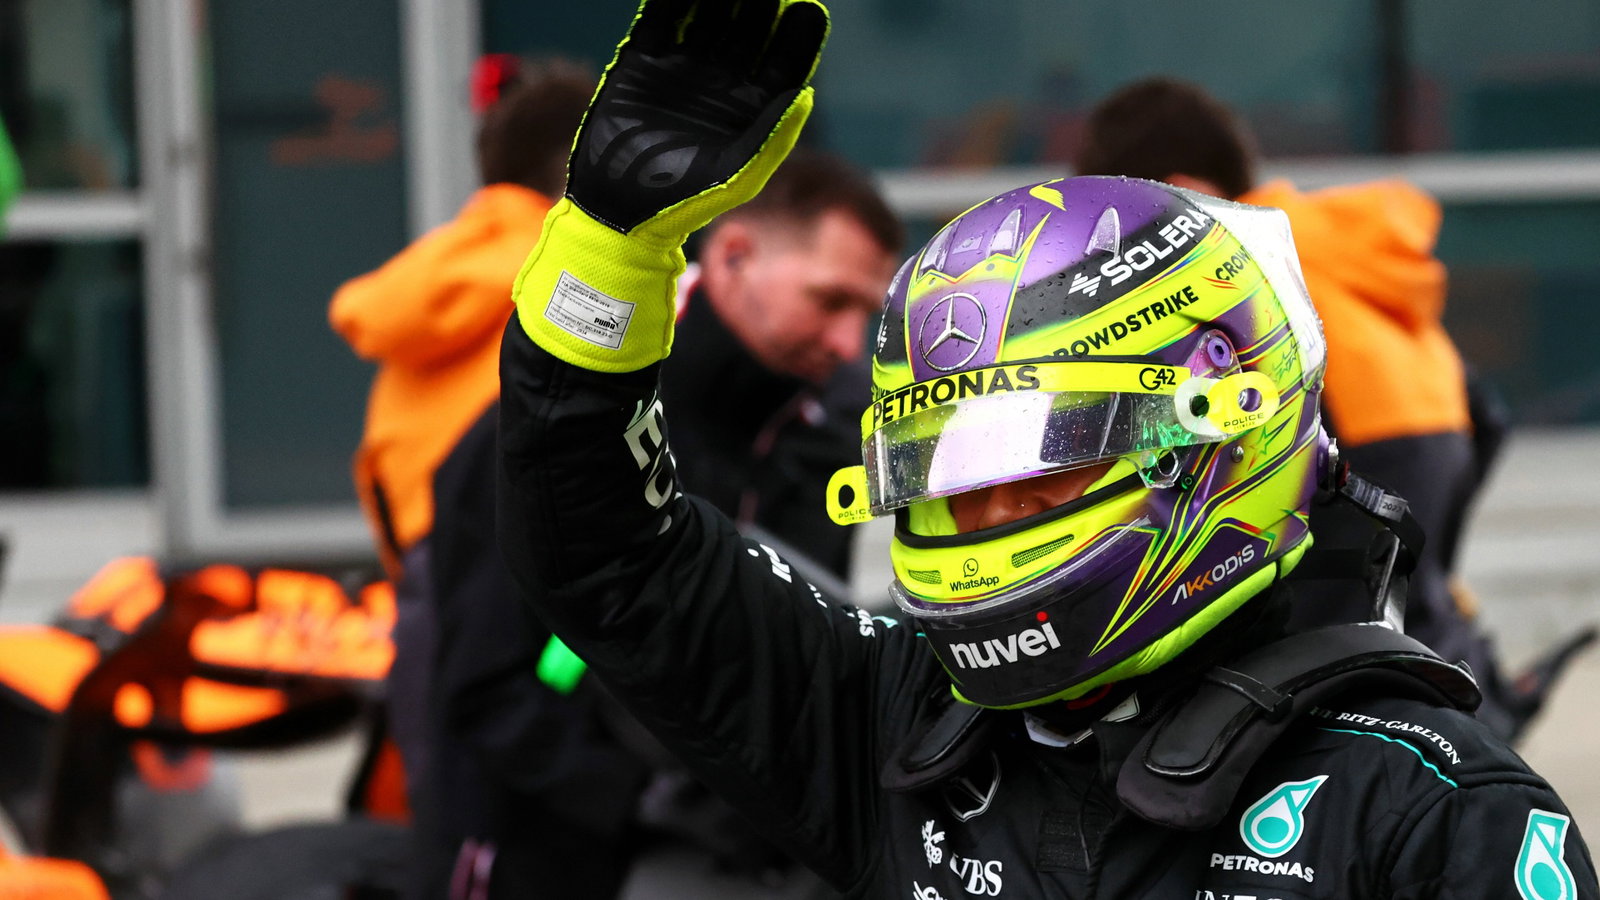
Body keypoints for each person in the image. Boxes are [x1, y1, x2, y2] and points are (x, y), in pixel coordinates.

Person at [494, 1, 1599, 897]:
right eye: (946, 476)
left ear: (1215, 429)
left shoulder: (1432, 812)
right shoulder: (898, 729)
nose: (985, 515)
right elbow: (609, 558)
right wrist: (610, 253)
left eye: (1037, 461)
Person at [425, 145, 895, 900]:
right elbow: (485, 688)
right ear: (735, 255)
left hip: (748, 861)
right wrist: (644, 802)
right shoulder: (571, 424)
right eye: (831, 300)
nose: (848, 344)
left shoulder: (817, 444)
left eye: (866, 315)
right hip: (550, 862)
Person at [1072, 76, 1593, 741]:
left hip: (1340, 506)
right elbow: (1486, 416)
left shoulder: (1234, 273)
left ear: (1187, 190)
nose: (1115, 255)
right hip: (1418, 477)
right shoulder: (1336, 248)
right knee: (1405, 643)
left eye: (1125, 221)